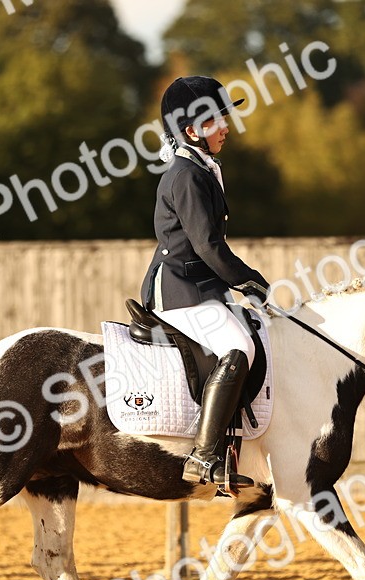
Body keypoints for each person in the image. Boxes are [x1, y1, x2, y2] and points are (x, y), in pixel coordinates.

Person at [139, 76, 271, 489]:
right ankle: (203, 455)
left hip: (199, 288)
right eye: (216, 121)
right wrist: (246, 279)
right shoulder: (188, 176)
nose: (226, 127)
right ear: (192, 130)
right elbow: (208, 246)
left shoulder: (200, 168)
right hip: (180, 289)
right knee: (239, 346)